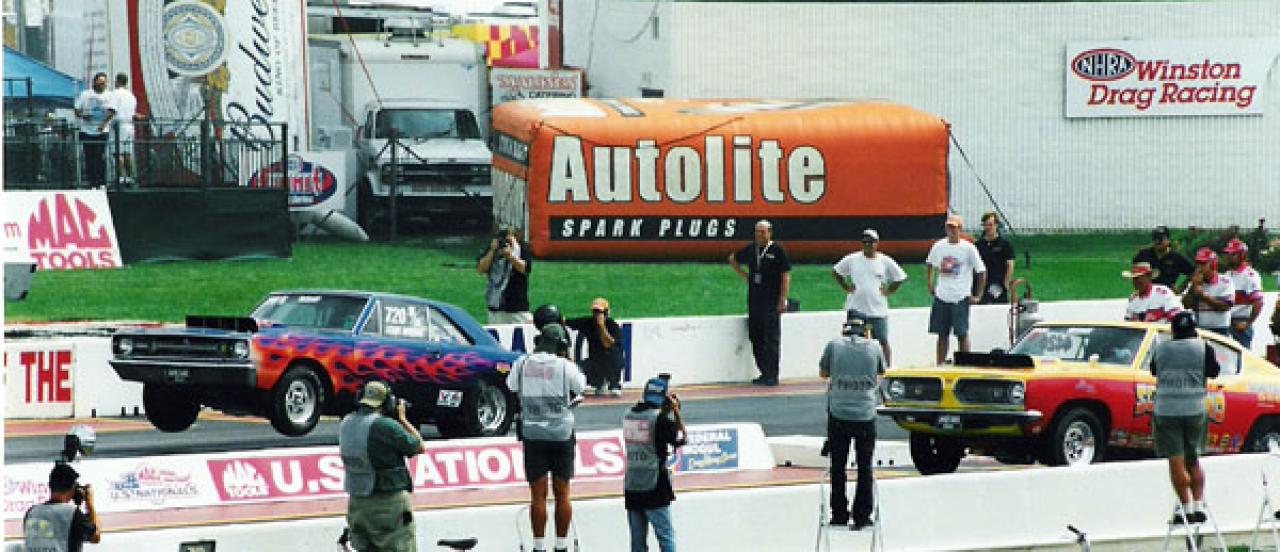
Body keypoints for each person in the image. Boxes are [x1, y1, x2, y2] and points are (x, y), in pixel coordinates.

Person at [507, 323, 586, 552]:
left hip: (533, 434)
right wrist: (568, 359)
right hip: (561, 434)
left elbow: (511, 385)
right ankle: (561, 545)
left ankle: (539, 546)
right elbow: (581, 386)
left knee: (538, 496)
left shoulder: (522, 363)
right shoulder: (565, 366)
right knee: (563, 494)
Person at [338, 380, 426, 552]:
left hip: (357, 503)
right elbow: (419, 446)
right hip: (388, 504)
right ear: (388, 403)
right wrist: (402, 419)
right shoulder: (385, 426)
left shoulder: (346, 423)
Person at [1150, 311, 1220, 525]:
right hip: (1195, 408)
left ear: (1173, 331)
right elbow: (1214, 372)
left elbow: (1154, 371)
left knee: (1176, 461)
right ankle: (1199, 506)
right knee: (1193, 459)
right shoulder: (1204, 347)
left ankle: (1186, 510)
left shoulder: (1161, 349)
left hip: (1167, 410)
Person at [819, 310, 886, 531]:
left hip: (838, 413)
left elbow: (823, 373)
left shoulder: (834, 345)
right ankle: (862, 515)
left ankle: (839, 513)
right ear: (866, 329)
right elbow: (882, 371)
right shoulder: (874, 347)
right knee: (865, 466)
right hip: (865, 414)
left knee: (838, 466)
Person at [622, 376, 687, 552]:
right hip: (655, 483)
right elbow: (681, 438)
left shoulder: (628, 415)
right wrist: (675, 412)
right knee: (665, 536)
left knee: (637, 541)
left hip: (632, 483)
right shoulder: (660, 420)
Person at [728, 219, 792, 386]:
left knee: (771, 338)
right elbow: (732, 259)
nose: (759, 235)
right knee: (755, 335)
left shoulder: (778, 251)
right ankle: (764, 372)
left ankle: (772, 374)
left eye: (762, 232)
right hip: (754, 299)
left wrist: (782, 299)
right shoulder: (751, 249)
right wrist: (745, 275)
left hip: (771, 300)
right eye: (757, 232)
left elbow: (785, 276)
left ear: (770, 233)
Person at [831, 228, 907, 366]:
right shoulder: (852, 259)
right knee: (853, 341)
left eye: (870, 242)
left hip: (877, 309)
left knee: (882, 340)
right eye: (865, 242)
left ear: (877, 243)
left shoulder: (884, 261)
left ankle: (887, 367)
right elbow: (836, 271)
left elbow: (900, 277)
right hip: (856, 308)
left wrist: (889, 291)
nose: (867, 245)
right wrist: (846, 287)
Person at [925, 214, 986, 365]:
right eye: (948, 227)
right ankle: (940, 363)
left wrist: (978, 295)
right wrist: (930, 283)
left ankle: (965, 363)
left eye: (954, 228)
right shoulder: (939, 246)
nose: (951, 231)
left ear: (960, 229)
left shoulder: (968, 248)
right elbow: (930, 263)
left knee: (961, 333)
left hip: (960, 296)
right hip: (942, 295)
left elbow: (981, 271)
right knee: (942, 333)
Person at [23, 463, 101, 552]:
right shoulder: (71, 513)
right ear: (72, 487)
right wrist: (90, 503)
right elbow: (95, 536)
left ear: (50, 485)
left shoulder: (31, 512)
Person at [565, 297, 625, 397]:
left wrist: (601, 326)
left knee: (614, 356)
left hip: (610, 363)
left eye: (600, 312)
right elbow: (568, 322)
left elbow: (608, 344)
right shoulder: (588, 322)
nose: (597, 315)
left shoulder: (612, 325)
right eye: (595, 312)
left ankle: (614, 384)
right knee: (577, 369)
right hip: (594, 362)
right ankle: (598, 383)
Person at [477, 226, 533, 324]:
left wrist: (510, 256)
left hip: (517, 306)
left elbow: (524, 268)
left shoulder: (522, 248)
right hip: (496, 306)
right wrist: (492, 251)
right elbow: (481, 269)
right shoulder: (493, 248)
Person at [1180, 248, 1234, 336]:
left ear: (1213, 265)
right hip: (1199, 329)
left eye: (1203, 264)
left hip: (1220, 329)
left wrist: (1203, 296)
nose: (1199, 267)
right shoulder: (1194, 282)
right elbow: (1185, 305)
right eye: (1198, 264)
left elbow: (1225, 306)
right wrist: (1193, 287)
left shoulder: (1225, 282)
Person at [1223, 238, 1264, 349]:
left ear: (1242, 255)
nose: (1229, 257)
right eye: (1228, 254)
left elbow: (1259, 302)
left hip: (1241, 321)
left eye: (1233, 254)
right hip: (1226, 321)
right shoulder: (1227, 275)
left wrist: (1248, 323)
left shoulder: (1250, 276)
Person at [73, 73, 112, 188]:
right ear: (95, 82)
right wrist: (83, 116)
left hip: (101, 131)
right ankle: (92, 182)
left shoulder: (109, 95)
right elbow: (77, 110)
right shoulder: (85, 94)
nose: (102, 85)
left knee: (100, 156)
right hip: (87, 131)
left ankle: (101, 182)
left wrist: (104, 124)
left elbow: (112, 111)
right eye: (100, 82)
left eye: (104, 83)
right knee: (89, 157)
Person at [1133, 226, 1194, 293]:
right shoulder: (1144, 254)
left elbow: (1193, 273)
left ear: (1168, 240)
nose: (1157, 241)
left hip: (1167, 294)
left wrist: (1181, 288)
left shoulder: (1176, 257)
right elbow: (1135, 272)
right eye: (1155, 238)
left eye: (1160, 238)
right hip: (1147, 293)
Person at [975, 211, 1016, 304]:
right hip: (982, 284)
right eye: (985, 225)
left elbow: (1010, 265)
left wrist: (1005, 284)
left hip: (998, 285)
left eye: (990, 225)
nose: (988, 228)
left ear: (996, 225)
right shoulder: (978, 244)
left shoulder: (1004, 244)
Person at [105, 73, 138, 186]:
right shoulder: (131, 95)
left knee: (118, 153)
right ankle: (130, 178)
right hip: (129, 125)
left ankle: (121, 178)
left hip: (118, 126)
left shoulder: (115, 94)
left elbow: (112, 111)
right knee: (127, 153)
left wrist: (103, 124)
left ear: (117, 81)